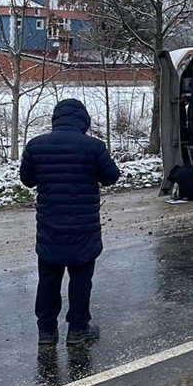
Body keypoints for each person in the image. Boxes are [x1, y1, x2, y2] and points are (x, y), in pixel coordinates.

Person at [19, 98, 120, 347]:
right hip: (83, 229)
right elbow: (111, 177)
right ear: (83, 120)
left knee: (48, 279)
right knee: (81, 280)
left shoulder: (36, 146)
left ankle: (46, 332)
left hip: (50, 228)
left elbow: (27, 180)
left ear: (55, 119)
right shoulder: (93, 147)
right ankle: (77, 330)